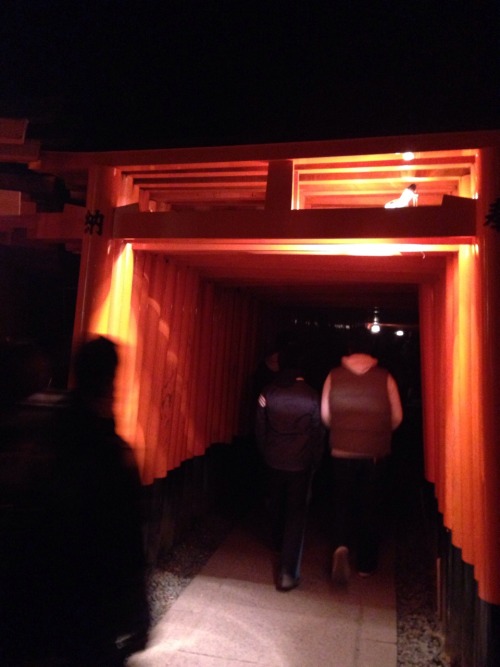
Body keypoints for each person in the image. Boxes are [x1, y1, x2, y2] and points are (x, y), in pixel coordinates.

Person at [45, 336, 150, 665]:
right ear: (111, 379)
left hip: (50, 585)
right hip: (95, 590)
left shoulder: (50, 431)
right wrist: (137, 606)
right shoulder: (110, 450)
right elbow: (128, 533)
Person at [321, 328, 403, 584]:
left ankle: (341, 545)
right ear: (372, 349)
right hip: (374, 454)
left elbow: (325, 414)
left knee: (341, 503)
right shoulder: (385, 377)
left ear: (348, 348)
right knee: (370, 506)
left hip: (341, 451)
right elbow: (398, 416)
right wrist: (377, 431)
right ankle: (366, 563)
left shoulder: (333, 375)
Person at [256, 343, 325, 591]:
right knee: (296, 514)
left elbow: (260, 429)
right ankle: (287, 571)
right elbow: (318, 433)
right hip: (300, 463)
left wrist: (265, 453)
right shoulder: (312, 395)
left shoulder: (268, 392)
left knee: (275, 503)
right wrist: (315, 461)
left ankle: (276, 542)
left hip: (273, 459)